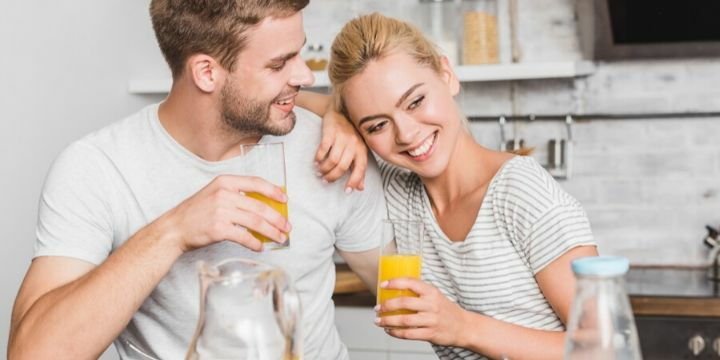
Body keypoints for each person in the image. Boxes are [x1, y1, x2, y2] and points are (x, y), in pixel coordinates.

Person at [8, 1, 384, 359]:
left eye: (299, 54)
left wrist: (343, 112)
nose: (306, 76)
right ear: (207, 73)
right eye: (279, 64)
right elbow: (33, 353)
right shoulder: (97, 167)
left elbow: (400, 290)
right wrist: (174, 232)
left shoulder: (331, 150)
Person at [310, 13, 599, 359]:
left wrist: (462, 327)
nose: (406, 134)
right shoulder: (397, 193)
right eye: (376, 126)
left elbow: (602, 347)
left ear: (447, 76)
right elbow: (289, 99)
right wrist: (335, 118)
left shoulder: (522, 193)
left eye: (415, 101)